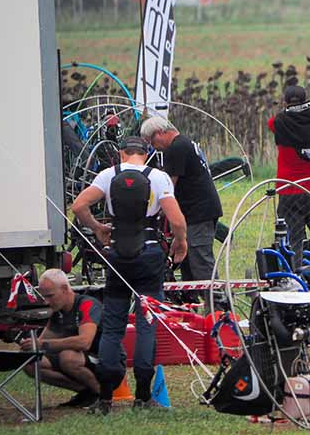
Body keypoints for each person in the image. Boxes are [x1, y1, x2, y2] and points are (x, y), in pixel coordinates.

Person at [71, 135, 187, 413]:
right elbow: (177, 220)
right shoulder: (158, 178)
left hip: (117, 256)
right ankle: (143, 396)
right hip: (148, 256)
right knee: (148, 324)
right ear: (145, 154)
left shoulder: (108, 175)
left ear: (121, 153)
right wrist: (180, 242)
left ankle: (106, 398)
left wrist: (98, 227)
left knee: (112, 327)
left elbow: (78, 206)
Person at [141, 117, 223, 285]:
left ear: (160, 133)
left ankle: (219, 306)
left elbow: (168, 186)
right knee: (186, 260)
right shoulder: (186, 142)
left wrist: (155, 207)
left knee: (200, 261)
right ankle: (190, 302)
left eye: (151, 141)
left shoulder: (176, 148)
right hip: (201, 209)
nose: (153, 147)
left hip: (198, 212)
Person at [19, 269, 103, 408]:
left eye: (50, 296)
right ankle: (85, 393)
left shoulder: (87, 304)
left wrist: (43, 344)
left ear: (64, 289)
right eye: (44, 296)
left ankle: (102, 395)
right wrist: (30, 344)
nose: (46, 301)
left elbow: (84, 342)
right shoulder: (58, 312)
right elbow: (41, 343)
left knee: (68, 357)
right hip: (80, 360)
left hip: (107, 362)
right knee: (30, 362)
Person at [267, 84, 310, 250]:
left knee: (293, 242)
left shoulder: (279, 123)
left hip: (289, 189)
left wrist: (287, 111)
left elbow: (271, 122)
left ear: (285, 102)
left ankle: (295, 272)